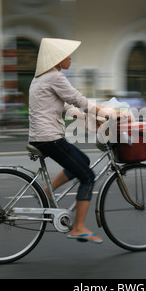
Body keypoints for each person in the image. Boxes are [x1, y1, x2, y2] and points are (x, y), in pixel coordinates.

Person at [28, 38, 106, 244]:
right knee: (88, 177)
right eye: (67, 55)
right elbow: (77, 99)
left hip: (42, 138)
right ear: (58, 59)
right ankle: (79, 227)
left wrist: (90, 118)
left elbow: (65, 107)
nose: (71, 58)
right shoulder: (55, 77)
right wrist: (106, 114)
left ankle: (47, 191)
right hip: (50, 139)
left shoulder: (40, 78)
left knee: (83, 161)